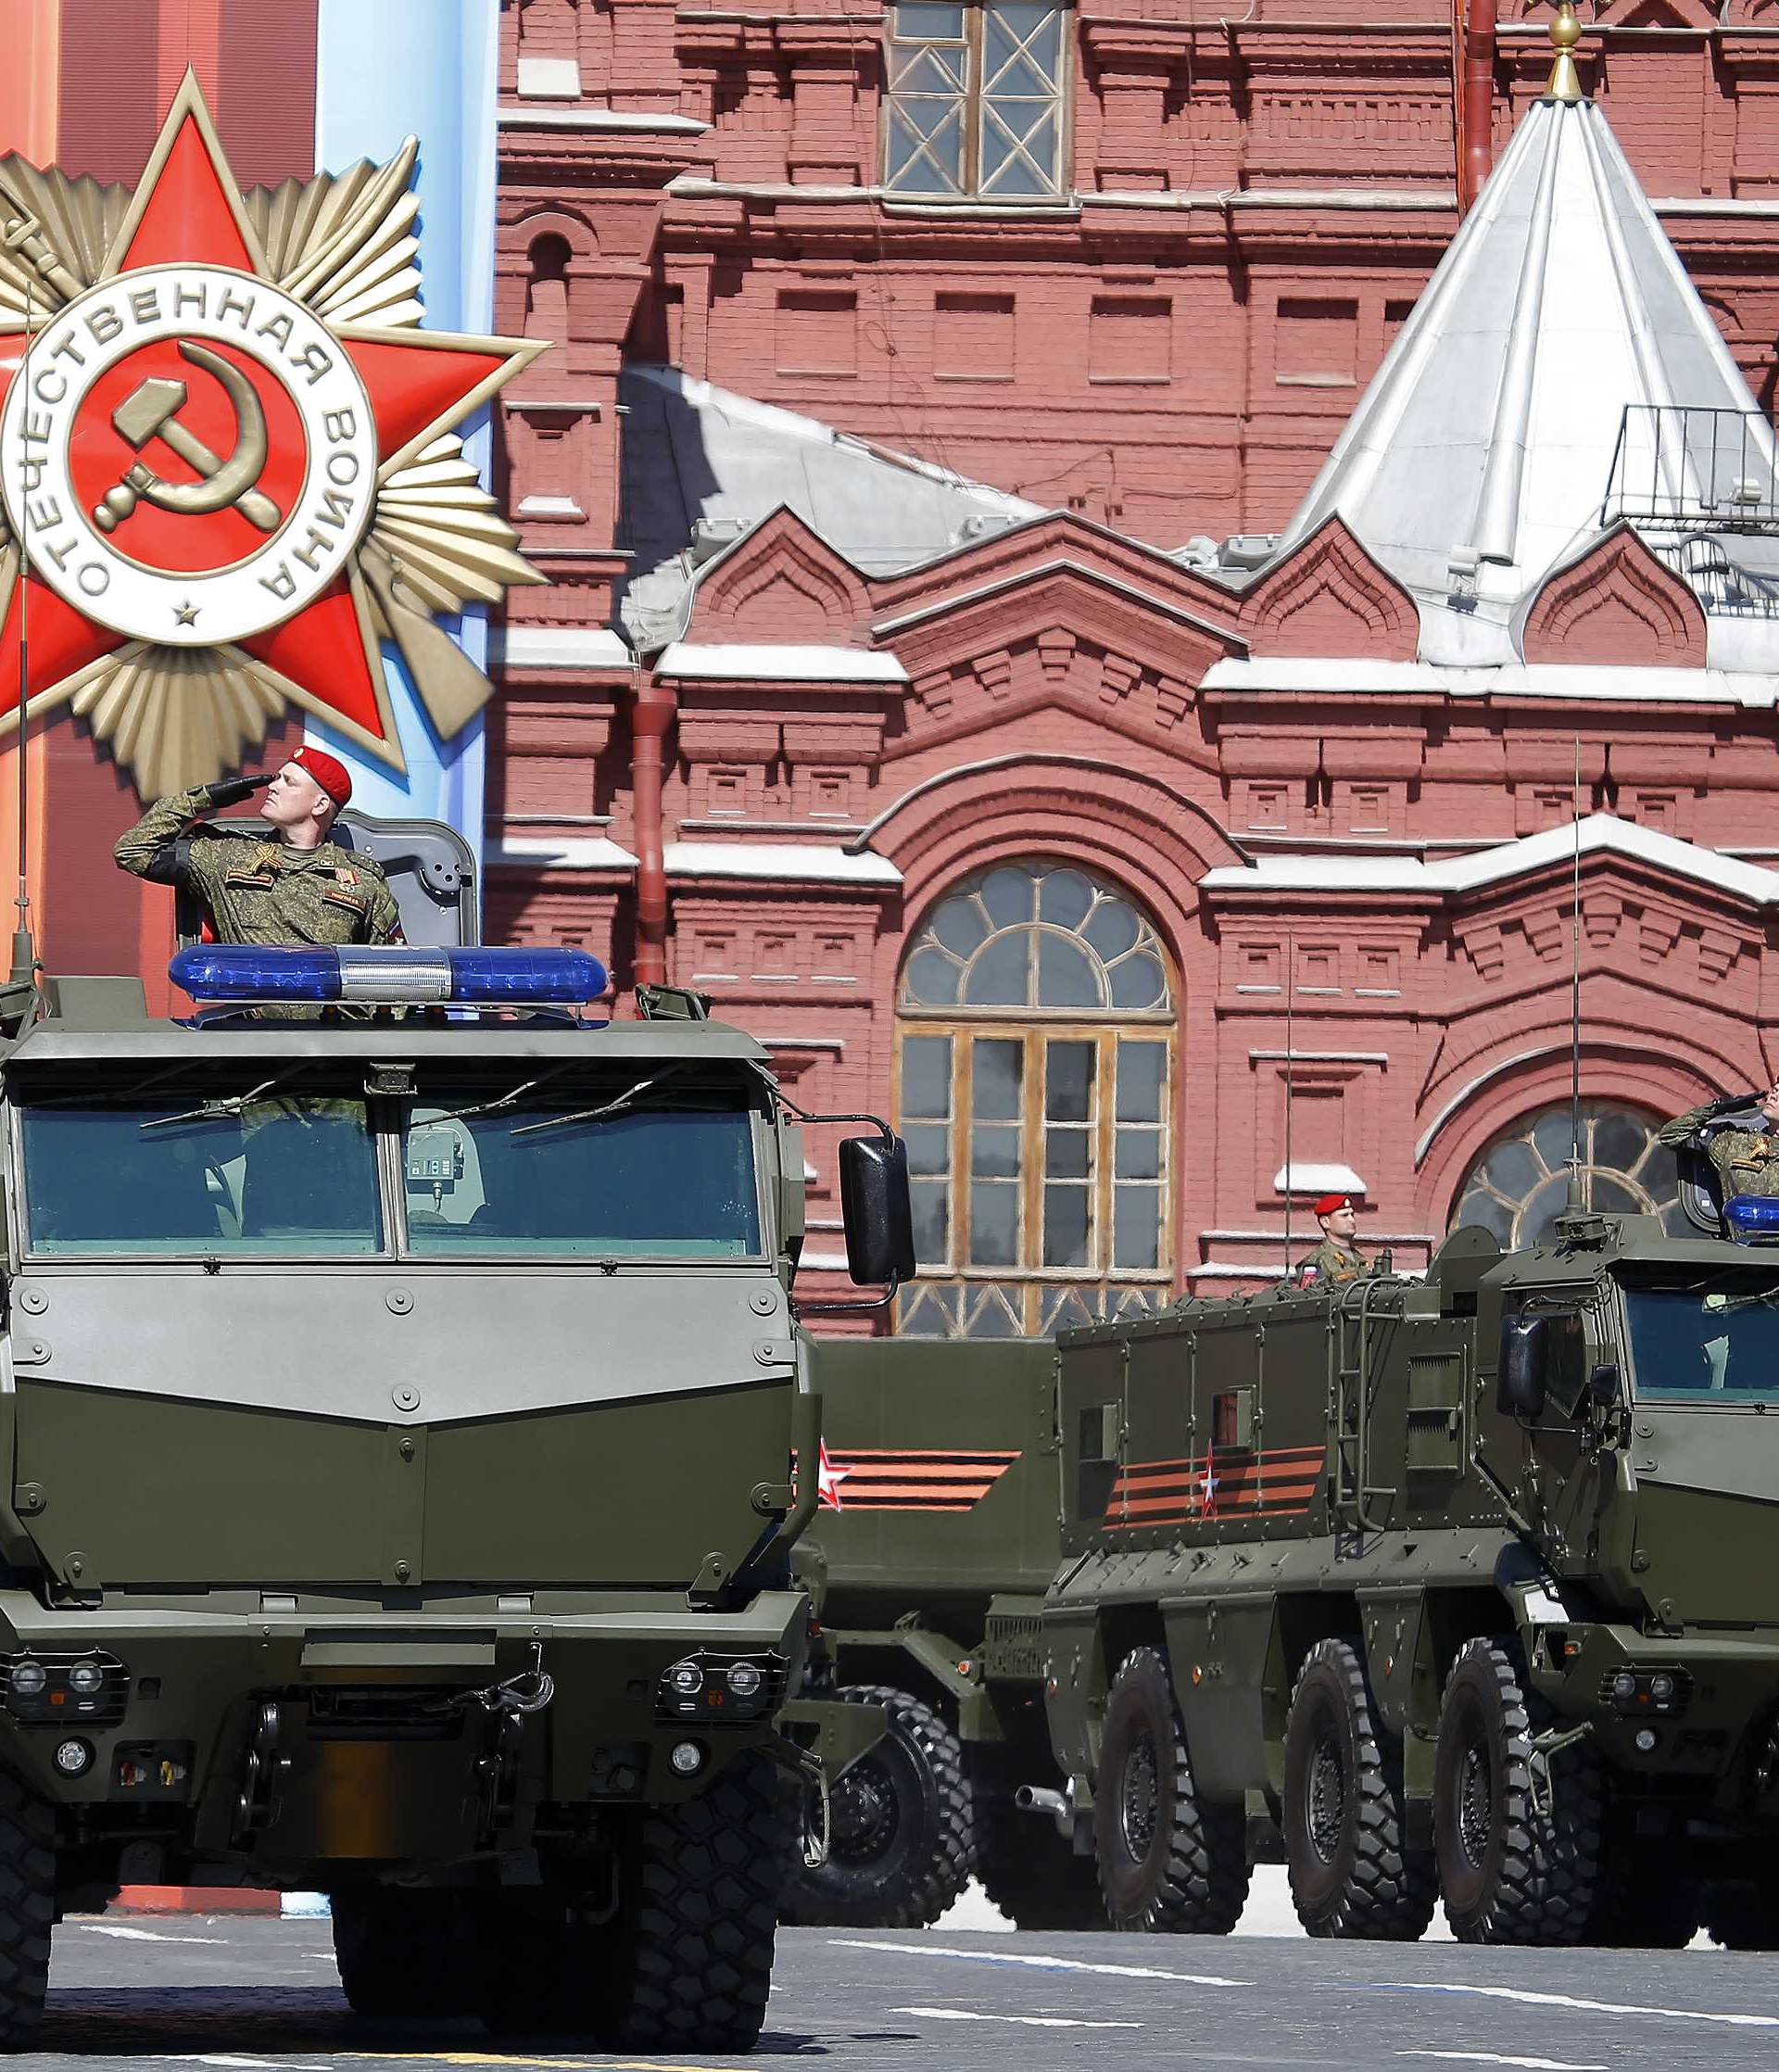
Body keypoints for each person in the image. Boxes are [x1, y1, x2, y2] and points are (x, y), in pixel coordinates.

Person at [114, 747, 403, 951]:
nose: (272, 787)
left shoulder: (362, 881)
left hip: (335, 1031)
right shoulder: (226, 856)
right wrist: (201, 799)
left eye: (288, 782)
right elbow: (131, 852)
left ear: (319, 805)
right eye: (276, 778)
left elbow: (393, 971)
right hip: (253, 1029)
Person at [1659, 1084, 1779, 1198]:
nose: (1773, 1096)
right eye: (1775, 1091)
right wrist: (1716, 1108)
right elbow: (1670, 1135)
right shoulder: (1734, 1141)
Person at [1294, 1192, 1372, 1287]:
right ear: (1325, 1222)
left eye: (1352, 1215)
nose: (1352, 1220)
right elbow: (1314, 1299)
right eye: (1344, 1216)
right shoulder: (1316, 1263)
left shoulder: (1358, 1257)